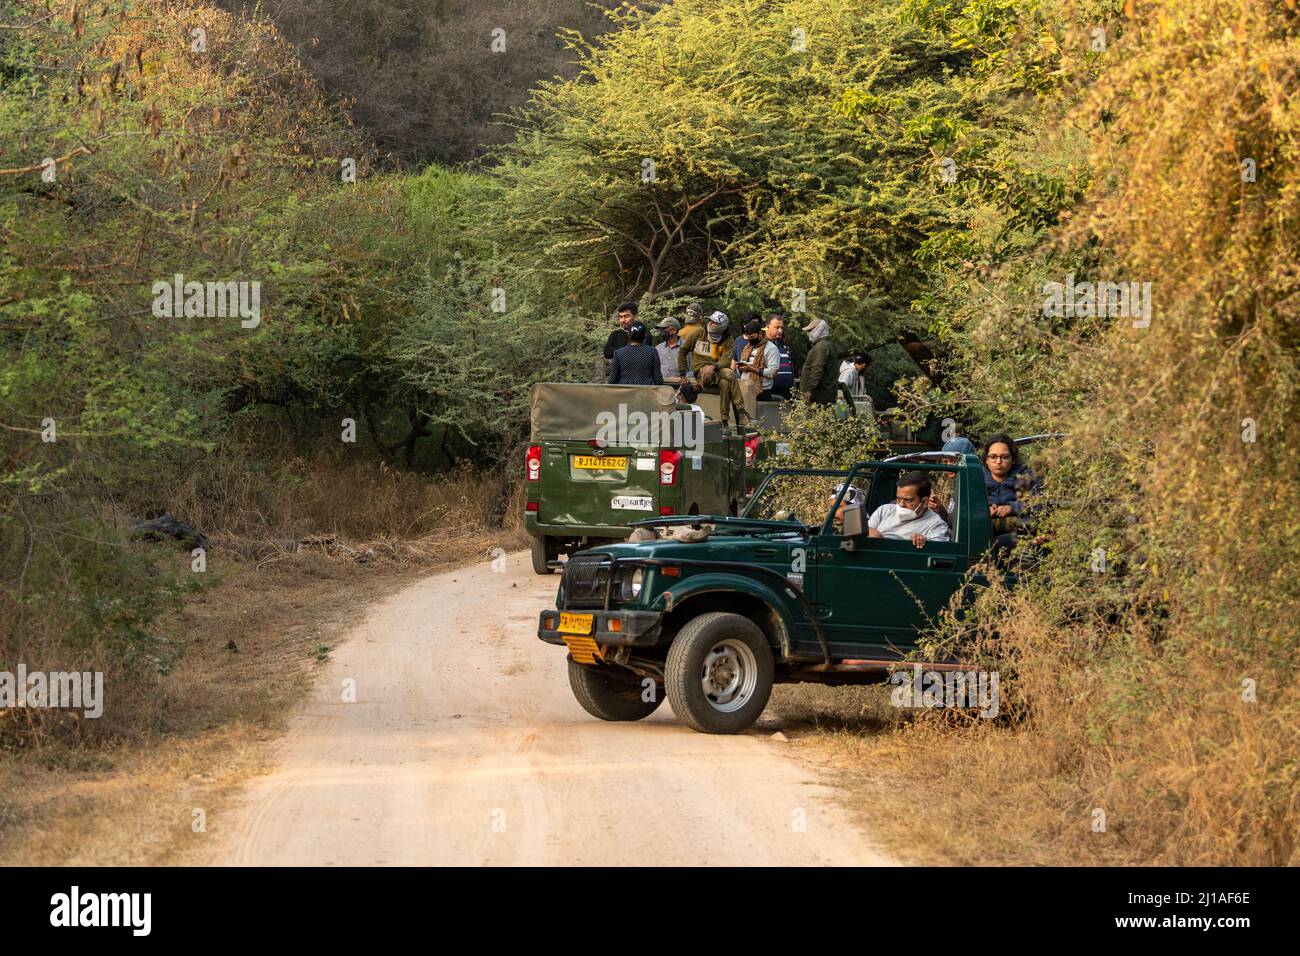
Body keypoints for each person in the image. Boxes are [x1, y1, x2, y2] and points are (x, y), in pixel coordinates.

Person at [981, 432, 1042, 555]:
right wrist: (985, 509)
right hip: (983, 529)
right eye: (993, 457)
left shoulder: (1027, 476)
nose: (998, 462)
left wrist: (1012, 508)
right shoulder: (977, 477)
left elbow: (1040, 504)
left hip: (1019, 532)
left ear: (1013, 459)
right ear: (986, 460)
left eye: (1004, 457)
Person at [865, 471, 951, 548]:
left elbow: (938, 550)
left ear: (925, 501)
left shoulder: (937, 524)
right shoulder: (884, 511)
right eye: (898, 499)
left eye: (908, 500)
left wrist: (924, 541)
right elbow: (866, 531)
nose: (901, 504)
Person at [732, 317, 778, 420]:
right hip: (744, 387)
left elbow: (773, 372)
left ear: (760, 334)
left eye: (752, 336)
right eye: (748, 337)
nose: (750, 339)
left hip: (761, 390)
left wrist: (752, 369)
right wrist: (741, 368)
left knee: (757, 419)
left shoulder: (771, 348)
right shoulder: (748, 347)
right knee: (743, 417)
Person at [798, 317, 846, 406]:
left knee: (814, 418)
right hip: (825, 392)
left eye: (810, 330)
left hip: (819, 395)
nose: (808, 333)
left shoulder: (821, 346)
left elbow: (817, 369)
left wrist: (809, 390)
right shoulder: (828, 345)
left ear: (819, 329)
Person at [759, 314, 795, 401]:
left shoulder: (784, 344)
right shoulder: (761, 345)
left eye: (782, 328)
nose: (780, 330)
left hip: (787, 392)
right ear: (767, 327)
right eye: (777, 327)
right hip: (770, 392)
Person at [676, 301, 707, 382]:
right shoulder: (702, 333)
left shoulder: (679, 333)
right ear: (700, 317)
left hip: (679, 374)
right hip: (695, 375)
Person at [654, 317, 683, 385]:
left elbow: (692, 370)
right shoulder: (658, 348)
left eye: (664, 328)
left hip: (680, 387)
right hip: (661, 387)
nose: (661, 331)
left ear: (674, 330)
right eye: (661, 329)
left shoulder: (686, 347)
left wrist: (680, 378)